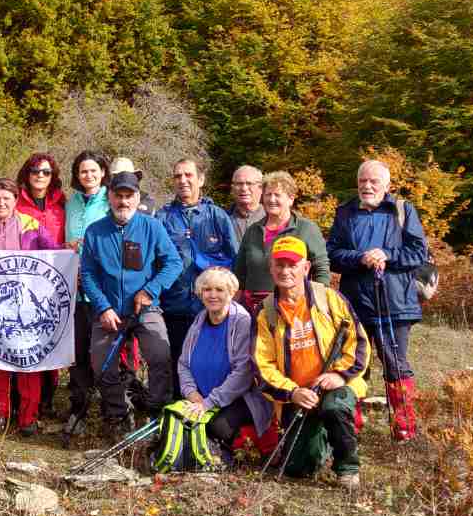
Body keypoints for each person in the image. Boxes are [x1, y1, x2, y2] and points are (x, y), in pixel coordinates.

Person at [327, 159, 431, 441]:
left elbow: (417, 254)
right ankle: (352, 428)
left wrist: (386, 254)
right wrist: (360, 258)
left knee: (395, 364)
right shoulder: (345, 212)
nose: (367, 186)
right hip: (355, 305)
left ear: (387, 185)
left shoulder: (402, 210)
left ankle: (404, 429)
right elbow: (332, 254)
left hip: (395, 303)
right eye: (363, 181)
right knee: (353, 364)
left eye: (374, 181)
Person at [253, 236, 370, 488]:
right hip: (298, 394)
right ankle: (325, 436)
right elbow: (262, 366)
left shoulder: (329, 298)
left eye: (292, 265)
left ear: (305, 268)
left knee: (335, 408)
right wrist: (293, 392)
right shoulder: (266, 312)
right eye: (279, 265)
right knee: (298, 468)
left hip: (336, 384)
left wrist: (340, 375)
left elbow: (358, 342)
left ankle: (347, 468)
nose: (286, 271)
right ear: (271, 268)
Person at [79, 167, 181, 433]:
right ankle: (117, 414)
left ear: (137, 198)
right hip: (108, 310)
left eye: (129, 196)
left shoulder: (152, 227)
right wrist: (103, 307)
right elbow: (87, 274)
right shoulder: (95, 232)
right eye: (118, 195)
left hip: (145, 307)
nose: (123, 201)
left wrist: (150, 290)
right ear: (109, 196)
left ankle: (157, 409)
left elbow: (173, 262)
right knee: (101, 363)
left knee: (160, 355)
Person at [0, 179, 57, 436]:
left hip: (25, 303)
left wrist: (68, 254)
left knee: (28, 362)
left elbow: (53, 254)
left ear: (16, 200)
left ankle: (28, 416)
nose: (1, 203)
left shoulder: (32, 226)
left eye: (7, 198)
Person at [175, 268, 276, 463]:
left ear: (231, 293)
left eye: (219, 290)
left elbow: (243, 373)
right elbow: (183, 364)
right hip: (201, 398)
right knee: (184, 424)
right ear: (200, 293)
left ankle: (250, 451)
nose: (213, 295)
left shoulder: (241, 321)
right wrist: (191, 393)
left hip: (239, 397)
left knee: (216, 426)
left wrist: (208, 403)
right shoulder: (199, 320)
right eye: (207, 289)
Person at [157, 158, 239, 368]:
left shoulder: (217, 216)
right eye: (178, 176)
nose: (183, 180)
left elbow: (234, 261)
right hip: (175, 307)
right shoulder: (162, 217)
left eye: (188, 175)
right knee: (177, 365)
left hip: (210, 308)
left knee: (210, 364)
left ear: (201, 180)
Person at [64, 151, 111, 440]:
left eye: (93, 170)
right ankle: (78, 408)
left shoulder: (110, 200)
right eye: (83, 171)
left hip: (103, 290)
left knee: (106, 352)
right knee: (79, 352)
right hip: (75, 290)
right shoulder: (71, 203)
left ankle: (112, 410)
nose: (88, 176)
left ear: (103, 172)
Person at [235, 171, 331, 312]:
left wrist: (319, 302)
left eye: (277, 195)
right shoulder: (253, 230)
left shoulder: (306, 228)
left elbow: (321, 268)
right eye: (268, 194)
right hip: (252, 307)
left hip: (292, 305)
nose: (271, 199)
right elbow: (240, 273)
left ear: (290, 199)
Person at [16, 152, 68, 246]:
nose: (40, 175)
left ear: (52, 176)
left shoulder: (61, 203)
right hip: (27, 259)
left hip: (57, 258)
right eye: (35, 171)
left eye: (46, 172)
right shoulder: (15, 203)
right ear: (27, 175)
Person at [228, 165, 266, 243]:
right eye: (239, 184)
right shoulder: (222, 219)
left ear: (261, 188)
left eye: (249, 183)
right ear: (232, 188)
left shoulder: (273, 218)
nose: (244, 188)